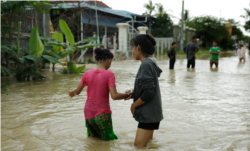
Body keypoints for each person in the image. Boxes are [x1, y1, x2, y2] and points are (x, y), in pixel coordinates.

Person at [69, 48, 129, 140]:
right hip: (102, 113)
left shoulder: (87, 73)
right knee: (108, 141)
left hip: (88, 113)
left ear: (97, 60)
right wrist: (127, 95)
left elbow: (77, 92)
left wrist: (72, 92)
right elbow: (114, 96)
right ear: (109, 60)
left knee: (94, 141)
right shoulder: (110, 74)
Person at [125, 34, 163, 148]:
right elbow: (148, 87)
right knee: (149, 145)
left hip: (148, 115)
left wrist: (133, 106)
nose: (132, 51)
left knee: (138, 147)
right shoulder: (151, 61)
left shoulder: (146, 64)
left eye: (132, 48)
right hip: (153, 113)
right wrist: (135, 93)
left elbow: (148, 93)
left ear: (138, 47)